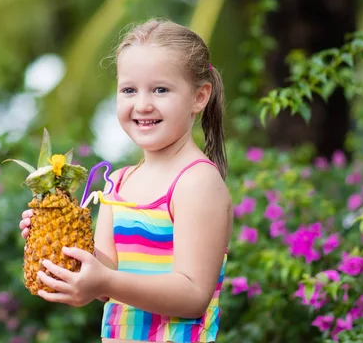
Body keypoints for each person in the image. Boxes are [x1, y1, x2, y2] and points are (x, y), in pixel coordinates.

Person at [19, 19, 233, 343]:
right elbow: (104, 280)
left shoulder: (198, 182)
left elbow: (193, 295)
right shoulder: (118, 183)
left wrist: (105, 281)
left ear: (199, 96)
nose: (142, 104)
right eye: (129, 90)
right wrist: (55, 238)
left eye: (160, 89)